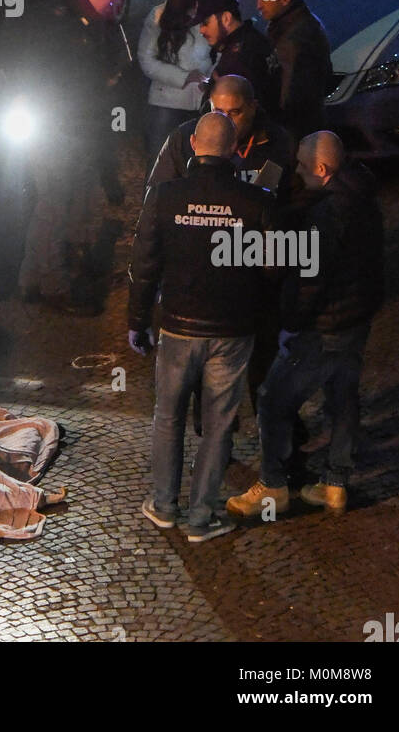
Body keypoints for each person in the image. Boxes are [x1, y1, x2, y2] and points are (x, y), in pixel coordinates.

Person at [128, 111, 278, 542]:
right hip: (232, 330)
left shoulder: (163, 195)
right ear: (234, 150)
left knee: (167, 416)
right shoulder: (257, 201)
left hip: (177, 328)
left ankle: (162, 505)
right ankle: (201, 517)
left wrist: (138, 320)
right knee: (217, 423)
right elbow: (272, 269)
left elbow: (144, 263)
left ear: (193, 145)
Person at [226, 131, 384, 519]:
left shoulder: (326, 215)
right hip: (355, 321)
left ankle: (273, 485)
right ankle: (335, 485)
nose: (294, 171)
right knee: (342, 398)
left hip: (324, 326)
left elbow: (311, 279)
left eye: (300, 164)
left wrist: (292, 323)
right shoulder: (363, 198)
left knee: (272, 399)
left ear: (322, 169)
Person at [18, 0, 131, 313]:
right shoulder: (62, 27)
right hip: (57, 132)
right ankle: (54, 287)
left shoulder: (92, 24)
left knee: (54, 205)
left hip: (72, 129)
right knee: (54, 206)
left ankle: (32, 279)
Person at [147, 74, 293, 198]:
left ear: (252, 108)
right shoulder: (184, 136)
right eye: (218, 112)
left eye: (234, 113)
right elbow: (156, 194)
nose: (225, 121)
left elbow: (285, 199)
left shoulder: (276, 142)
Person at [137, 0, 214, 169]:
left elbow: (218, 55)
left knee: (195, 163)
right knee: (160, 162)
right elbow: (147, 60)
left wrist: (210, 80)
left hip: (202, 102)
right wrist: (184, 77)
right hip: (166, 103)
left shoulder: (209, 16)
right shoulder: (159, 16)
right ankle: (153, 200)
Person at [255, 0, 334, 142]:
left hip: (294, 130)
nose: (259, 5)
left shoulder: (295, 38)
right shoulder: (293, 25)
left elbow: (288, 91)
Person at [195, 0, 279, 116]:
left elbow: (239, 108)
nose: (201, 30)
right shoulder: (250, 41)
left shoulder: (242, 53)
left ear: (226, 18)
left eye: (205, 23)